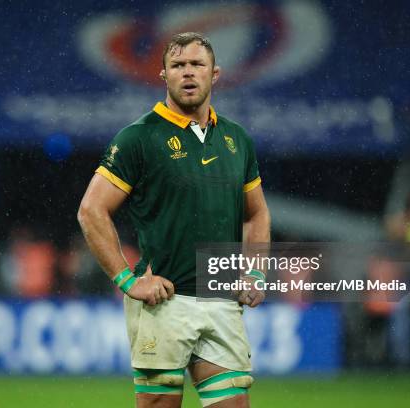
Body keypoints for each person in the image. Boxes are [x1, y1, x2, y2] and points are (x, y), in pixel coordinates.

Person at [78, 32, 271, 408]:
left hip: (221, 300)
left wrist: (255, 272)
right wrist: (127, 280)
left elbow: (257, 213)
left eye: (196, 65)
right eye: (177, 66)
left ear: (214, 74)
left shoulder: (236, 139)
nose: (187, 73)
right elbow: (91, 210)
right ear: (163, 76)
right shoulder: (138, 138)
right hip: (165, 302)